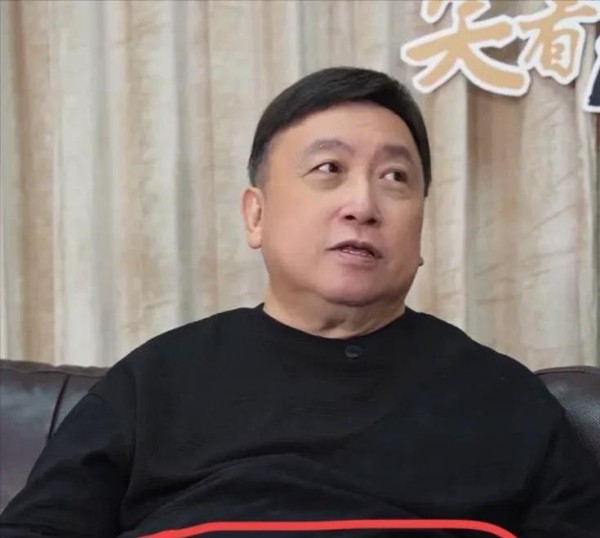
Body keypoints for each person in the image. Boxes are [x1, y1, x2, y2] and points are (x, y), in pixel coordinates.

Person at [1, 67, 599, 538]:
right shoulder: (154, 383)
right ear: (256, 215)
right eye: (329, 168)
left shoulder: (506, 399)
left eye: (396, 178)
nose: (363, 205)